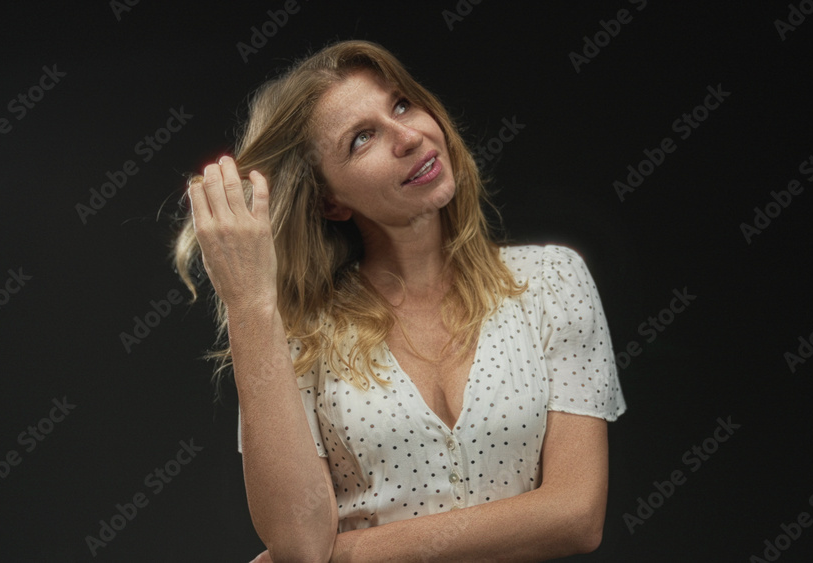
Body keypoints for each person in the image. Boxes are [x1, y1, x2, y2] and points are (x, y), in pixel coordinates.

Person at [172, 40, 626, 562]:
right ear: (329, 201)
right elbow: (298, 543)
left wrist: (343, 555)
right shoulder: (298, 335)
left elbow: (576, 515)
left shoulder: (551, 281)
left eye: (402, 105)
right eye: (362, 139)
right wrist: (249, 305)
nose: (409, 137)